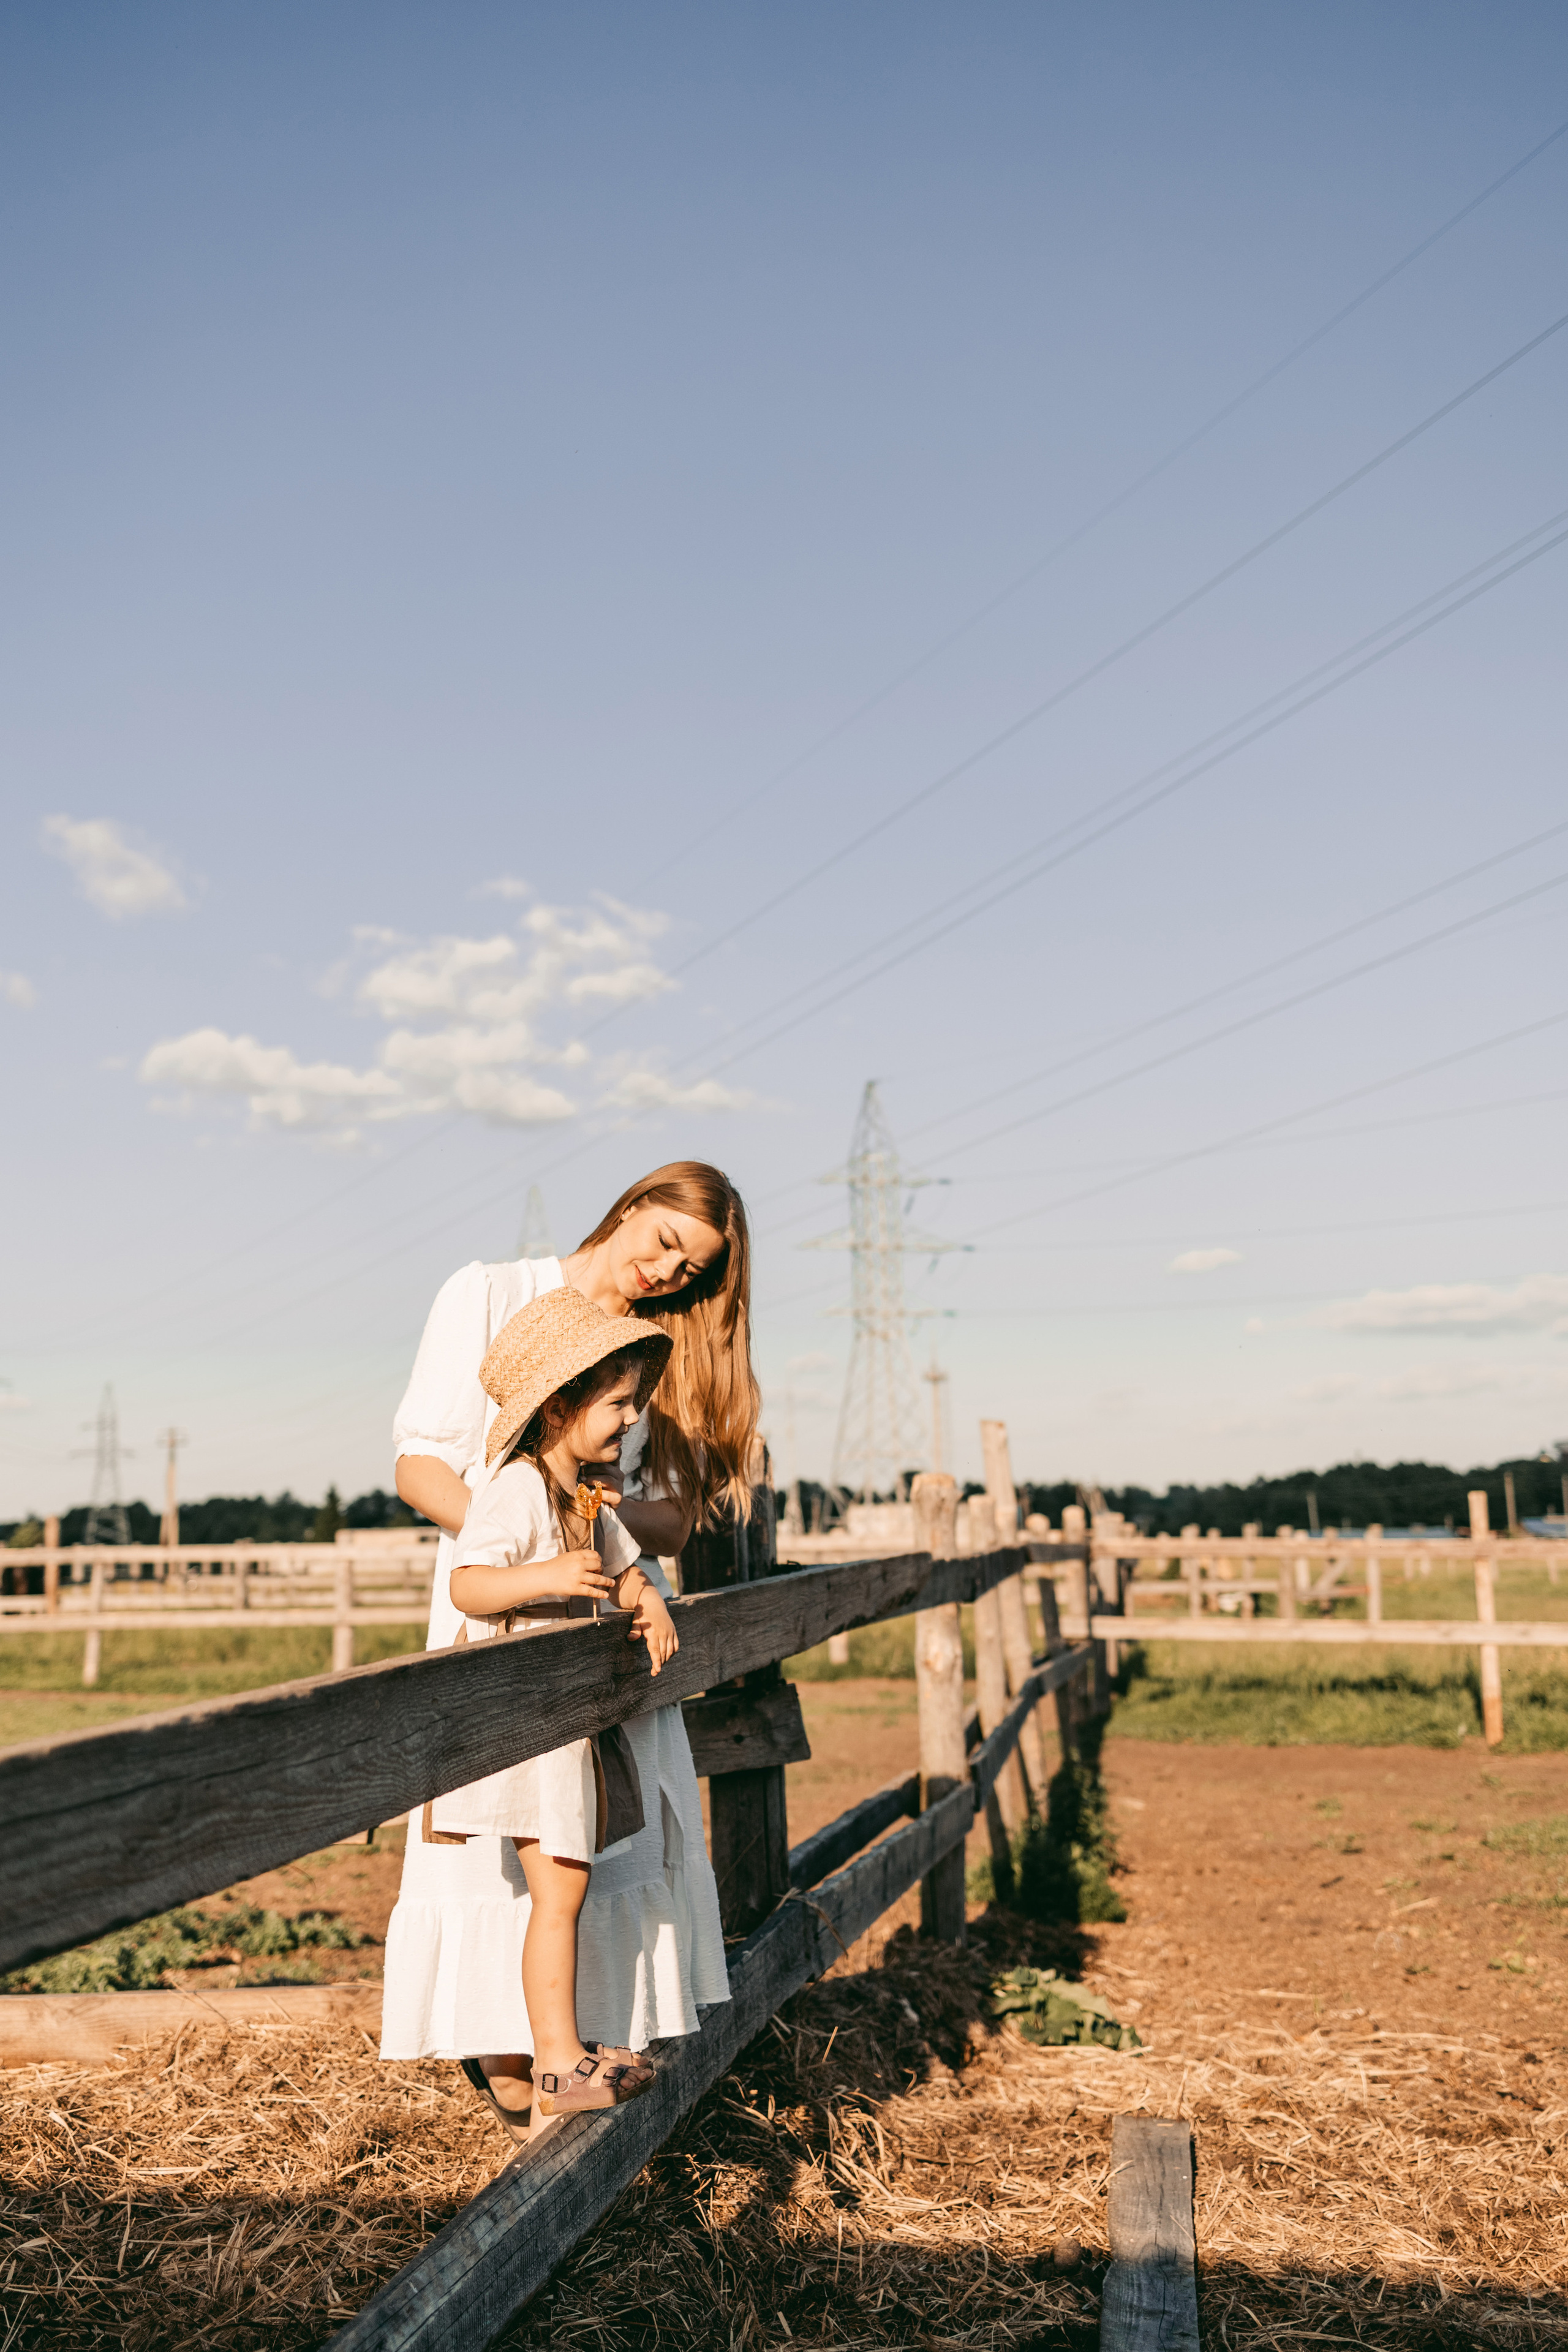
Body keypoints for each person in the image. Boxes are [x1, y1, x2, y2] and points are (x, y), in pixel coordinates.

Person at [379, 1161, 757, 2133]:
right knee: (498, 1833)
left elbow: (664, 1524)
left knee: (596, 1831)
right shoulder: (495, 1293)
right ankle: (508, 2056)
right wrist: (536, 1541)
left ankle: (579, 2047)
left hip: (604, 1605)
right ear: (633, 1206)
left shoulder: (647, 1354)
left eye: (694, 1270)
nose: (670, 1271)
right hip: (511, 1591)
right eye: (667, 1241)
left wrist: (616, 1541)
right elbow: (420, 1464)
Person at [421, 1285, 677, 2127]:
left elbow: (626, 1562)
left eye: (635, 1400)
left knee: (564, 1890)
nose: (631, 1418)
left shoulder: (584, 1496)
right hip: (530, 1726)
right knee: (560, 1891)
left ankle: (554, 2062)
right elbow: (469, 1581)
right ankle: (558, 2065)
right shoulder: (519, 1488)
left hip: (567, 1724)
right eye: (616, 1402)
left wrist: (647, 1596)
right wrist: (547, 1578)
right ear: (559, 1404)